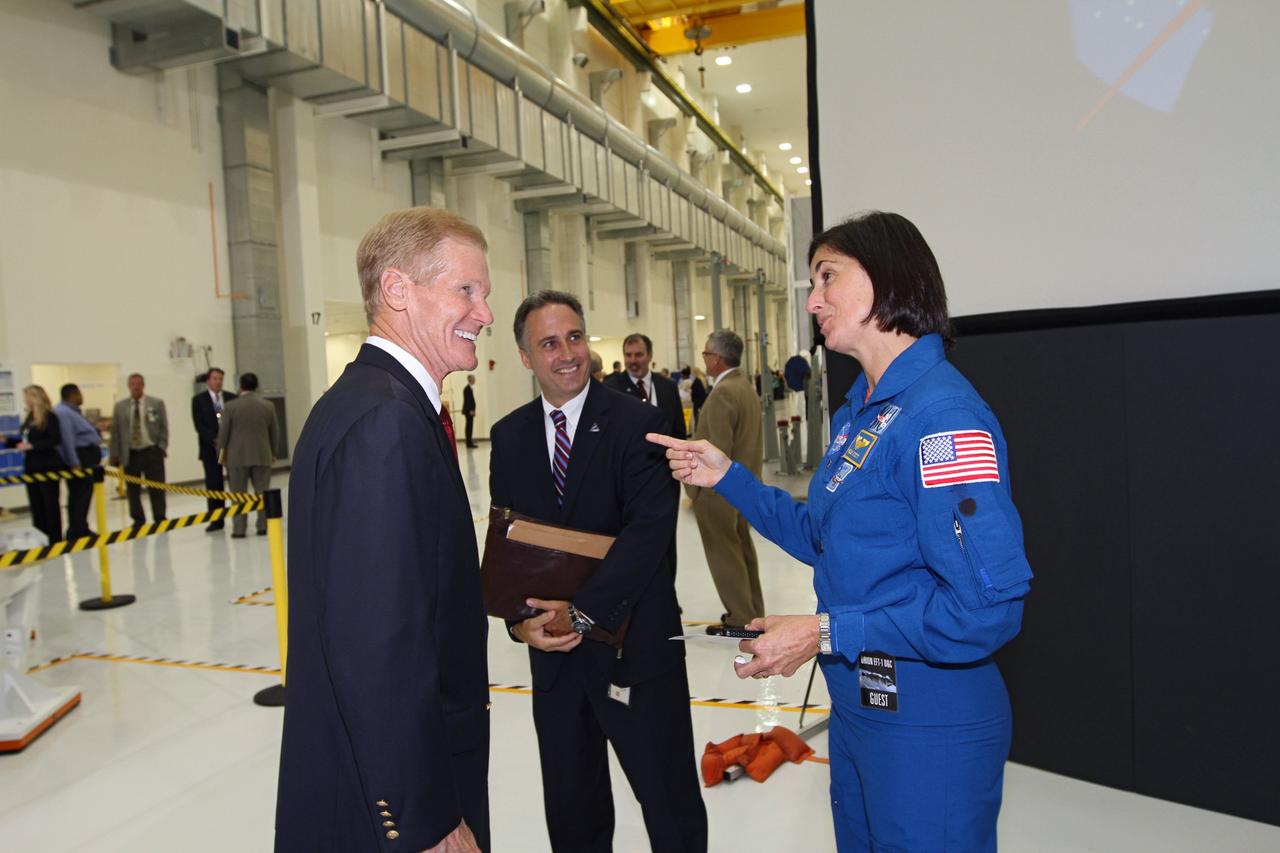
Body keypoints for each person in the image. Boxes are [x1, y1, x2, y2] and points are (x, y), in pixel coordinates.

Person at [649, 211, 1033, 852]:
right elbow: (824, 536)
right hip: (862, 711)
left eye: (828, 278)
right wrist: (728, 478)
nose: (815, 301)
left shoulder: (942, 420)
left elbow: (985, 611)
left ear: (887, 281)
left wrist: (828, 631)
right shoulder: (864, 409)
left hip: (928, 727)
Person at [276, 207, 494, 852]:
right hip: (397, 806)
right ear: (398, 290)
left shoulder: (372, 402)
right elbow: (377, 645)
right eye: (466, 290)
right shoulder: (385, 424)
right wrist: (421, 818)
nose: (483, 314)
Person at [492, 291, 707, 853]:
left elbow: (648, 535)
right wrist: (519, 622)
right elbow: (510, 545)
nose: (567, 353)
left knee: (668, 801)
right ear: (524, 356)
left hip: (634, 649)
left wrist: (581, 612)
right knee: (572, 807)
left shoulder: (641, 423)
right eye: (548, 343)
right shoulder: (509, 438)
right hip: (557, 661)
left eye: (575, 337)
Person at [688, 330, 764, 632]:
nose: (704, 359)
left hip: (718, 492)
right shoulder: (744, 386)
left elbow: (715, 449)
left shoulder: (722, 394)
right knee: (742, 550)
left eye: (706, 354)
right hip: (743, 487)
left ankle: (739, 618)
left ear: (716, 359)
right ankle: (753, 612)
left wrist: (695, 491)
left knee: (724, 554)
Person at [215, 372, 277, 538]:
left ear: (240, 386)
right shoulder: (268, 406)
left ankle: (239, 529)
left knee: (238, 495)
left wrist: (221, 457)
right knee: (262, 494)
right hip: (262, 454)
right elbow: (274, 433)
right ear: (256, 387)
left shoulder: (231, 406)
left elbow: (223, 435)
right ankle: (263, 526)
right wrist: (273, 453)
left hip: (237, 457)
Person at [108, 373, 168, 528]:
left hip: (151, 451)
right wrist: (114, 454)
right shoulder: (120, 407)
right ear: (129, 386)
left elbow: (164, 427)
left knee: (157, 487)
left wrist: (161, 446)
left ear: (143, 385)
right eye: (133, 384)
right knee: (133, 490)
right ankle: (138, 519)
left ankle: (160, 517)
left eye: (139, 383)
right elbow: (115, 432)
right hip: (130, 453)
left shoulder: (156, 403)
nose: (136, 387)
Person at [5, 385, 64, 543]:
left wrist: (33, 446)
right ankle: (40, 538)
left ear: (35, 398)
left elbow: (55, 440)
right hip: (31, 466)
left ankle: (55, 540)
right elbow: (25, 440)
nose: (25, 401)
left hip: (47, 466)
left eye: (27, 397)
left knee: (50, 505)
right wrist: (7, 441)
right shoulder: (30, 418)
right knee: (36, 505)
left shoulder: (50, 417)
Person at [54, 383, 102, 540]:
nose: (82, 396)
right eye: (79, 393)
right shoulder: (63, 413)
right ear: (72, 395)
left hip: (85, 456)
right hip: (80, 458)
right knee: (79, 496)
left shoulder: (72, 412)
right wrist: (74, 462)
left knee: (83, 496)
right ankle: (77, 531)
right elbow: (67, 439)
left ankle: (80, 527)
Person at [191, 367, 236, 531]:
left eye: (220, 379)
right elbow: (199, 424)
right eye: (215, 379)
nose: (218, 382)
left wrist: (226, 440)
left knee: (235, 482)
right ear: (208, 381)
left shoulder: (232, 398)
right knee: (214, 484)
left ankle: (239, 518)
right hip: (211, 449)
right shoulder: (199, 400)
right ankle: (217, 519)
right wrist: (215, 440)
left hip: (230, 447)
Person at [461, 374, 478, 448]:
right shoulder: (467, 389)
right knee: (469, 427)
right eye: (473, 379)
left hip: (470, 411)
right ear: (470, 380)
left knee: (470, 427)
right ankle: (469, 443)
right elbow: (468, 401)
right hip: (468, 411)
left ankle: (469, 442)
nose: (475, 380)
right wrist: (471, 410)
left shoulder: (469, 388)